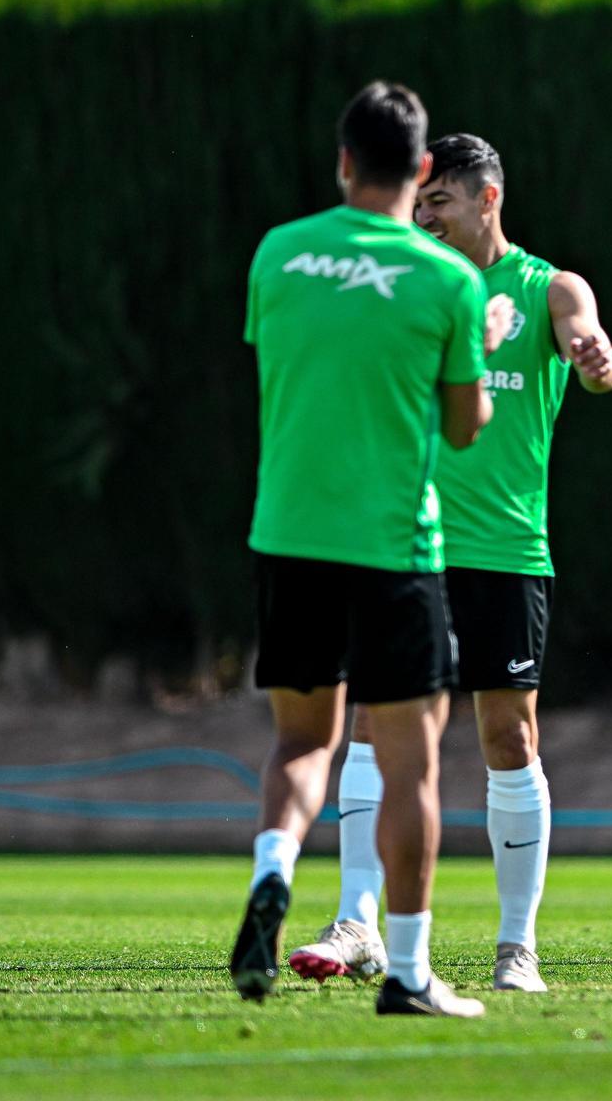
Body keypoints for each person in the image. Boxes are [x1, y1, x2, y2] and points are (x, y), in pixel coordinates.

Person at [287, 133, 612, 993]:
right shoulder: (410, 282)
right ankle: (358, 921)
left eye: (438, 201)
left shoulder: (551, 286)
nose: (423, 213)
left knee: (509, 735)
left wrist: (596, 358)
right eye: (419, 200)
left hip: (507, 550)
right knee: (378, 731)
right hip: (407, 546)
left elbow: (596, 351)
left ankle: (518, 947)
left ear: (488, 199)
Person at [229, 82, 496, 1018]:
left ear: (343, 161)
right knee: (411, 763)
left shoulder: (278, 254)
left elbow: (289, 367)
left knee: (303, 739)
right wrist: (482, 349)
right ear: (422, 171)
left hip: (289, 538)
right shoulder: (450, 281)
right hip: (395, 547)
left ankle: (273, 868)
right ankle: (412, 973)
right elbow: (465, 430)